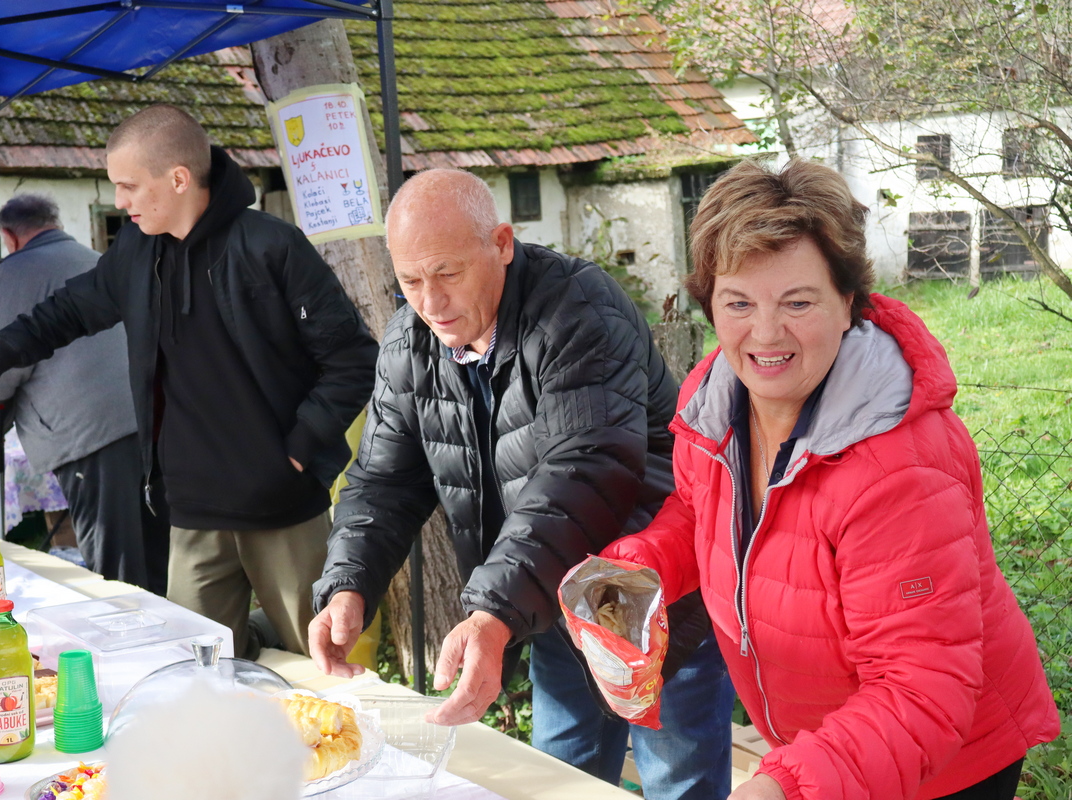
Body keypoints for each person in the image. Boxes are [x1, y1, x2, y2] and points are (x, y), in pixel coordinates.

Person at [597, 159, 1060, 800]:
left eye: (798, 302)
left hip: (943, 764)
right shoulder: (715, 401)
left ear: (847, 302)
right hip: (821, 745)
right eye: (739, 302)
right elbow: (705, 511)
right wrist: (638, 567)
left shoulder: (900, 468)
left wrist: (781, 785)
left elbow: (920, 693)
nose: (765, 333)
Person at [310, 169, 735, 798]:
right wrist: (349, 583)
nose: (431, 302)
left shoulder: (579, 312)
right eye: (410, 281)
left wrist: (494, 611)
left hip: (657, 598)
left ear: (502, 243)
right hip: (546, 598)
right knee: (559, 778)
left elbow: (583, 471)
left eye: (448, 273)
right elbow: (382, 481)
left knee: (679, 782)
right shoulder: (410, 342)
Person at [0, 105, 379, 659]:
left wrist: (297, 449)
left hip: (281, 505)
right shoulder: (135, 250)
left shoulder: (272, 246)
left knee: (319, 666)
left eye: (128, 186)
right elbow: (65, 312)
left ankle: (274, 643)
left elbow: (353, 358)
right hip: (192, 511)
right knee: (199, 670)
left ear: (177, 179)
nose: (119, 201)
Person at [0, 193, 168, 594]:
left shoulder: (16, 271)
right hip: (144, 417)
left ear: (9, 237)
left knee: (116, 567)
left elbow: (1, 372)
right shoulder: (92, 257)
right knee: (156, 550)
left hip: (89, 434)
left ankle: (129, 632)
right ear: (57, 223)